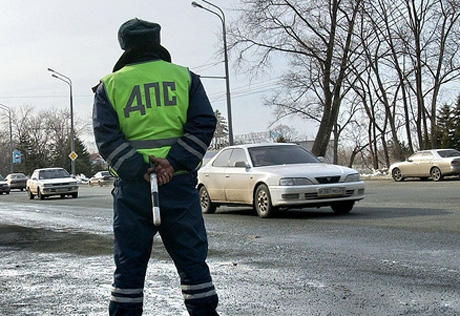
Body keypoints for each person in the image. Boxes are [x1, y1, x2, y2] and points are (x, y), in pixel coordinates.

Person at [92, 18, 219, 316]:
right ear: (157, 42)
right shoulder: (186, 78)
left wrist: (140, 169)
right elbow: (203, 124)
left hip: (133, 191)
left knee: (129, 269)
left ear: (125, 46)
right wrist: (172, 163)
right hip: (178, 184)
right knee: (192, 264)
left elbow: (107, 139)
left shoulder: (109, 85)